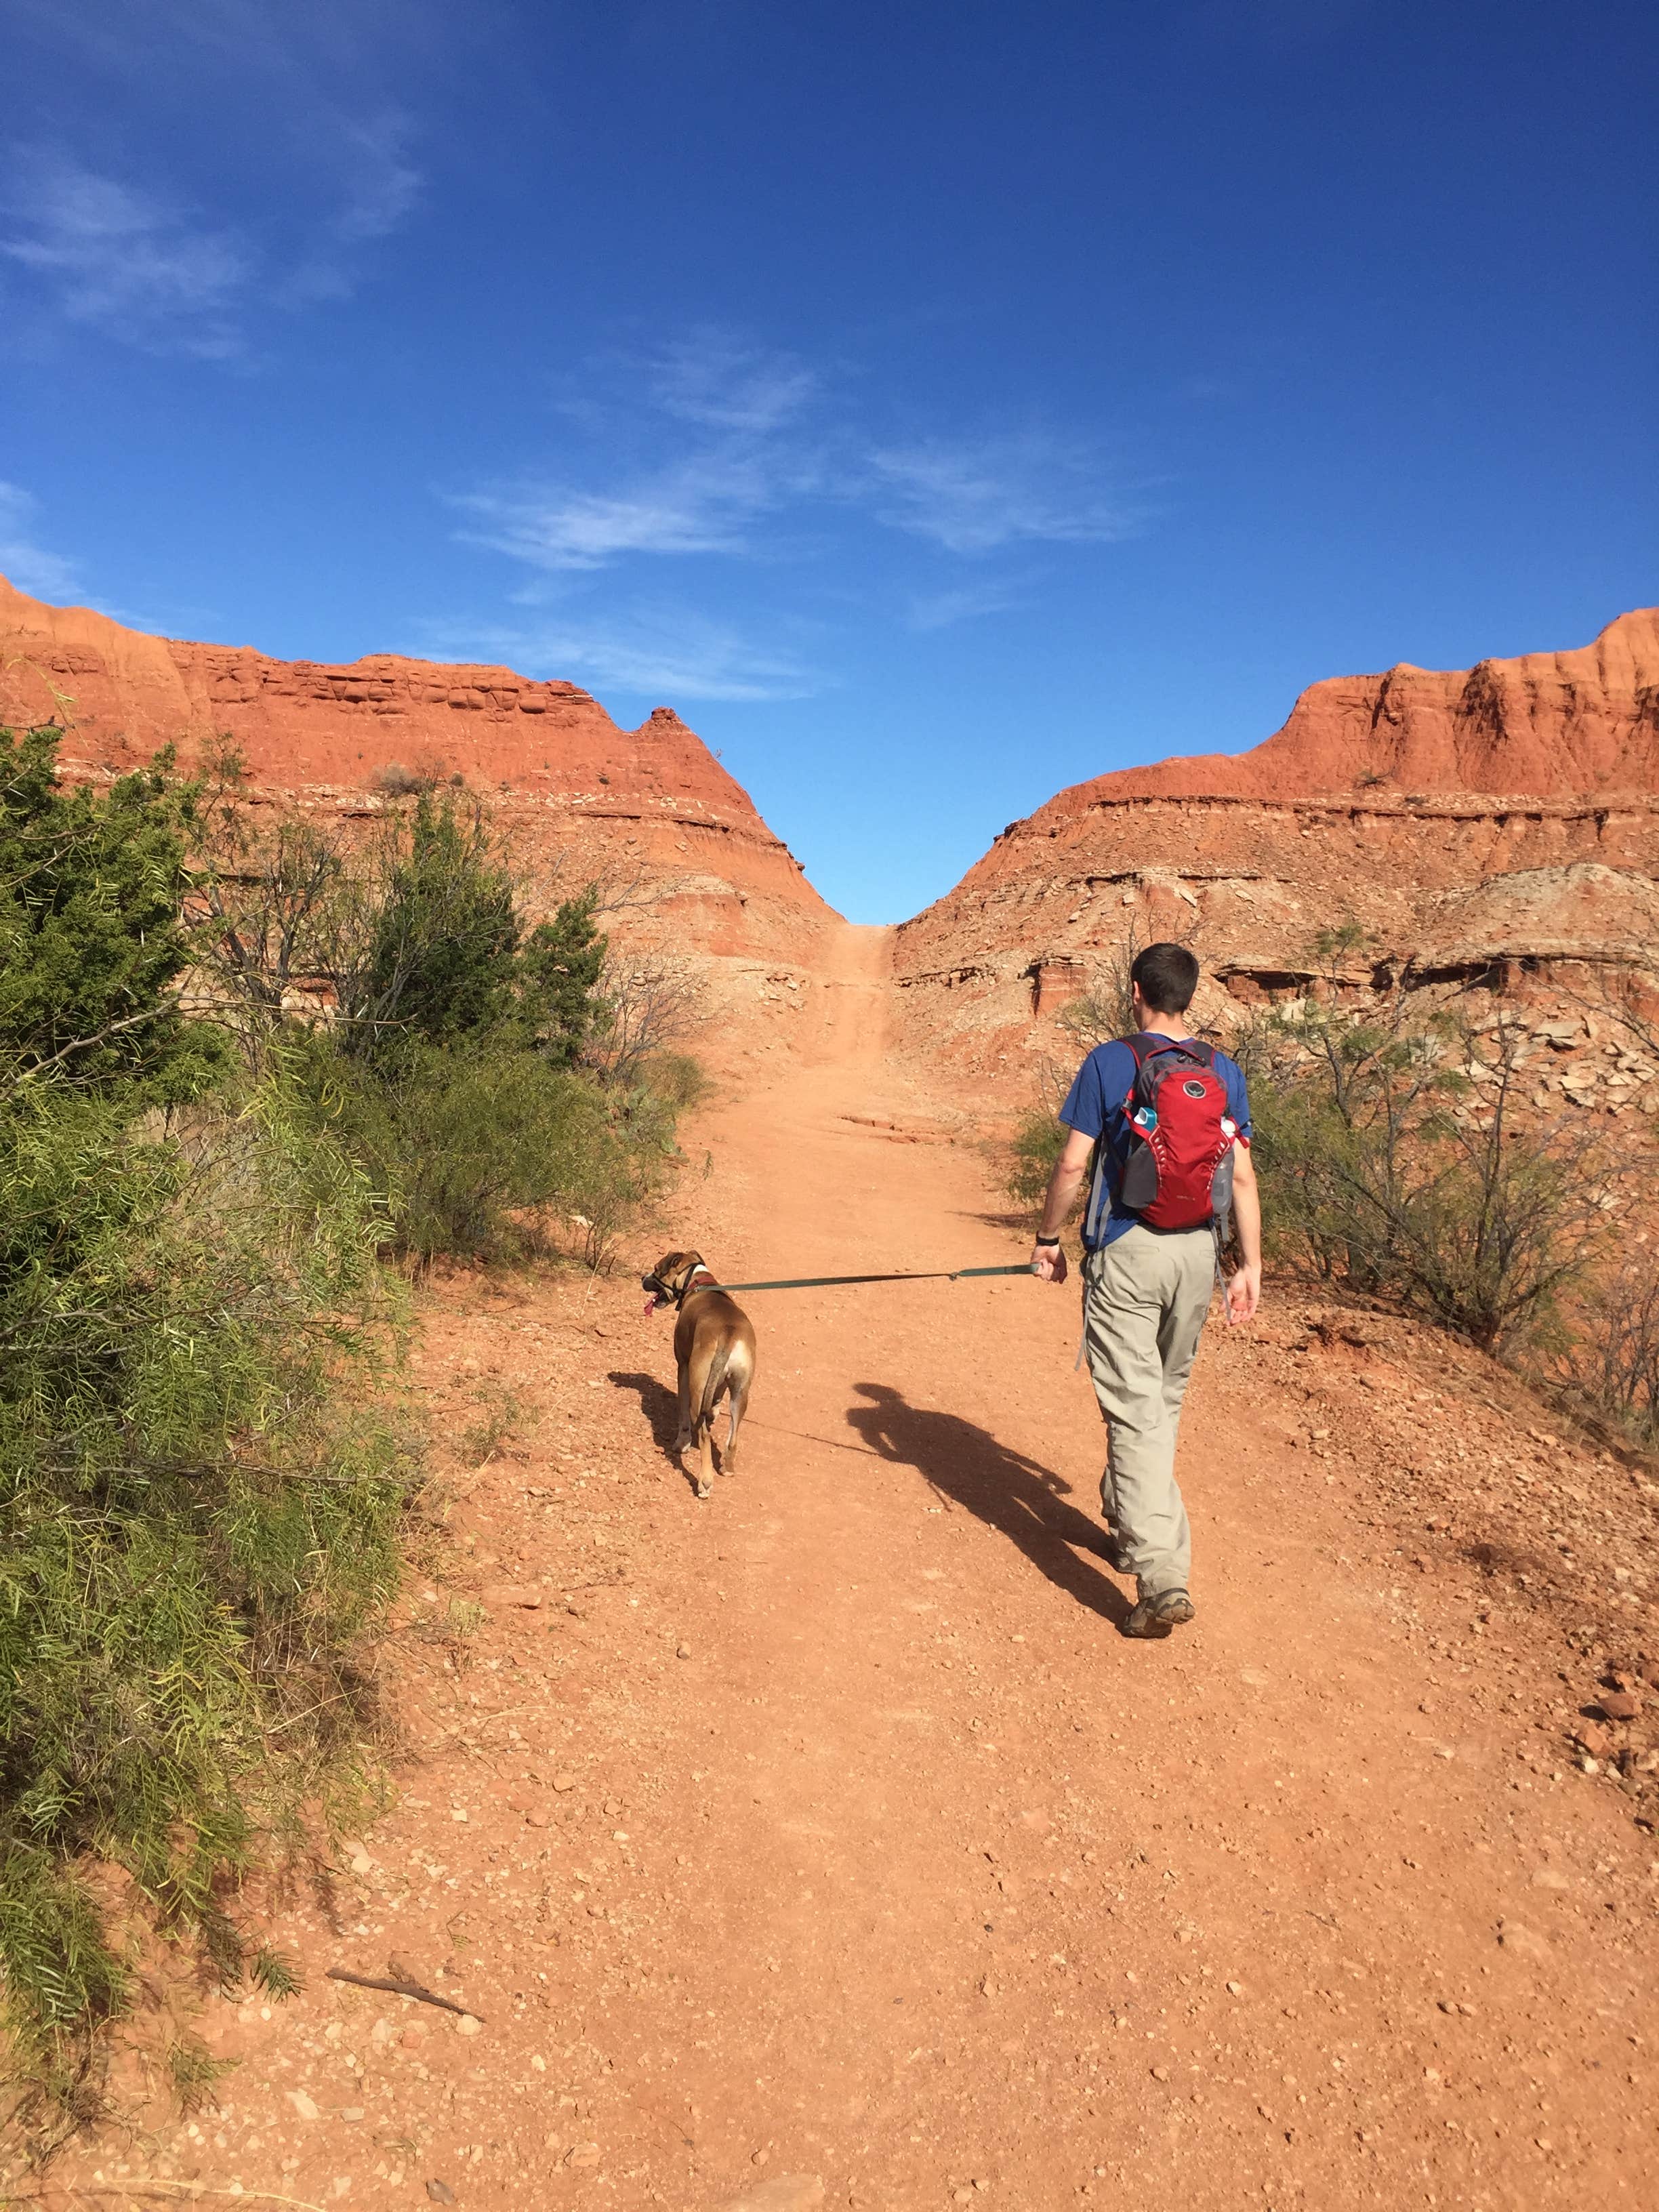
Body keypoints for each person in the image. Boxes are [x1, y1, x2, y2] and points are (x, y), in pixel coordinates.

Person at [1030, 942, 1261, 1638]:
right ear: (1189, 996)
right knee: (1158, 1400)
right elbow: (1243, 1177)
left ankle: (1160, 1573)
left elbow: (1074, 1165)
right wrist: (1249, 1263)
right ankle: (1129, 1521)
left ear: (1136, 991)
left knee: (1134, 1410)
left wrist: (1047, 1240)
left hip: (1127, 1253)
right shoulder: (1223, 1071)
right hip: (1196, 1254)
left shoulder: (1111, 1061)